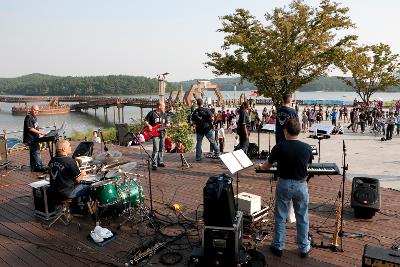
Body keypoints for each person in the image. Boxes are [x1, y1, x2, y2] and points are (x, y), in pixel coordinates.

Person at [256, 119, 313, 258]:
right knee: (302, 216)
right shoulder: (307, 148)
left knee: (281, 216)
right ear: (299, 130)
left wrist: (260, 167)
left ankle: (278, 246)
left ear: (285, 130)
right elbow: (308, 164)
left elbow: (267, 165)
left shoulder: (279, 147)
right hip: (301, 185)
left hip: (284, 184)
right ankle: (304, 247)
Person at [144, 101, 169, 170]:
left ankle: (160, 161)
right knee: (156, 149)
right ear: (159, 106)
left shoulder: (164, 114)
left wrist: (168, 125)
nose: (164, 107)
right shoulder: (152, 113)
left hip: (162, 133)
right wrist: (149, 125)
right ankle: (154, 163)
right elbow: (145, 120)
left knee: (161, 148)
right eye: (163, 106)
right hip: (155, 134)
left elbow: (166, 123)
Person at [23, 105, 47, 172]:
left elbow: (35, 128)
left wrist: (39, 134)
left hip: (35, 137)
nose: (36, 111)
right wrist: (40, 132)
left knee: (33, 153)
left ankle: (33, 167)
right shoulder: (29, 117)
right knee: (36, 152)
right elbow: (30, 128)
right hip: (31, 139)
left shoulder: (34, 117)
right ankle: (40, 167)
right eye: (34, 110)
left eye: (37, 110)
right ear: (31, 110)